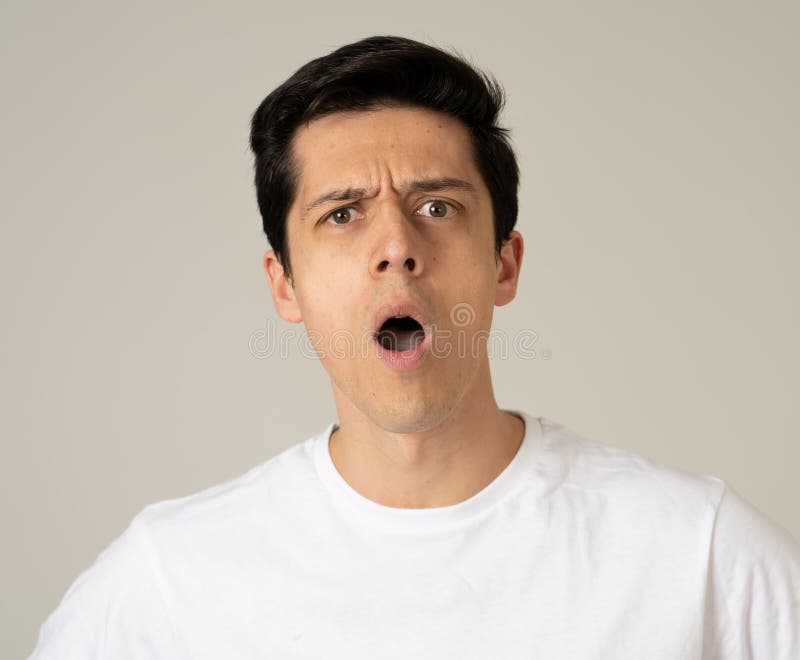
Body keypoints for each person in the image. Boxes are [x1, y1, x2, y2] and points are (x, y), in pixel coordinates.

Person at [30, 35, 799, 659]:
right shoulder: (169, 584)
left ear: (504, 262)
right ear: (285, 286)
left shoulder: (700, 558)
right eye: (342, 214)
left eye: (437, 205)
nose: (396, 246)